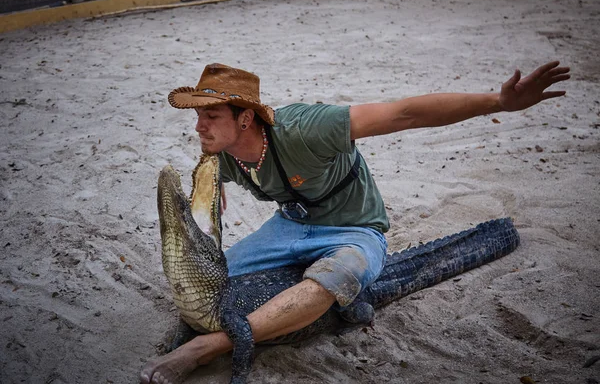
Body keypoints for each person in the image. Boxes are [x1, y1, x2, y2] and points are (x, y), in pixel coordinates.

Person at [140, 61, 570, 384]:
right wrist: (213, 195)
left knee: (336, 278)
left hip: (354, 230)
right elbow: (208, 204)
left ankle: (210, 347)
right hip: (289, 227)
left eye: (210, 116)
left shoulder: (307, 128)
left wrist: (499, 103)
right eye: (197, 115)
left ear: (245, 118)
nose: (198, 126)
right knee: (216, 280)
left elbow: (405, 113)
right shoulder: (220, 154)